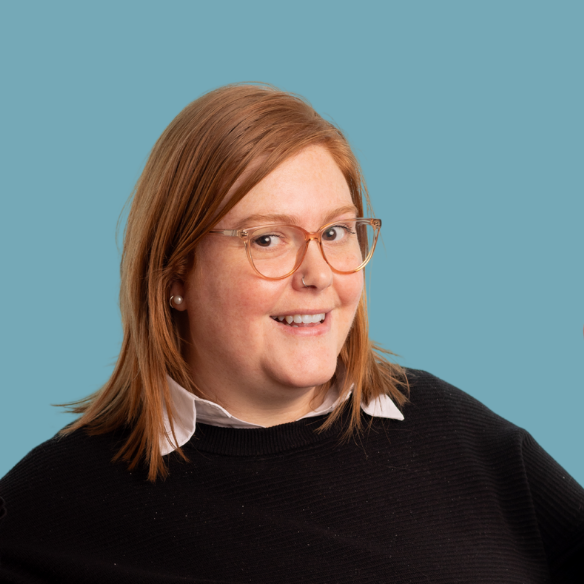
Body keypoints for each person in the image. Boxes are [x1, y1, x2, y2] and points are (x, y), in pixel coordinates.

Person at [0, 83, 582, 583]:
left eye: (335, 233)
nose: (318, 275)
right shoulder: (47, 509)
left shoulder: (462, 436)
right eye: (267, 239)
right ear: (176, 274)